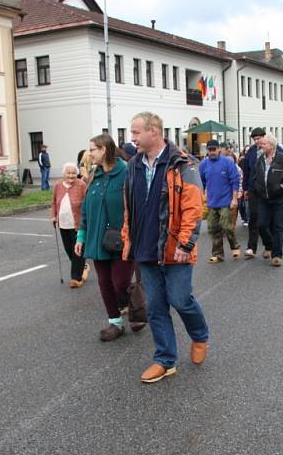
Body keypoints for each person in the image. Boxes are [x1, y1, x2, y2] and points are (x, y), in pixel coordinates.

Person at [121, 111, 208, 384]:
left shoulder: (183, 163)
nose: (131, 138)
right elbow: (129, 207)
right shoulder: (133, 165)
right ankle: (165, 359)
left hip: (175, 247)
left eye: (136, 132)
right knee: (156, 307)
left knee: (180, 299)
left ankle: (199, 335)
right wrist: (128, 239)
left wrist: (186, 241)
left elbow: (194, 208)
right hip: (145, 248)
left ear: (153, 132)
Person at [75, 133, 136, 342]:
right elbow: (85, 209)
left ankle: (138, 308)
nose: (89, 153)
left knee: (120, 282)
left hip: (123, 239)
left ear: (104, 149)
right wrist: (81, 236)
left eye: (92, 149)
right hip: (97, 239)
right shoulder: (94, 175)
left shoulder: (127, 173)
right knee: (104, 282)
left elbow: (138, 205)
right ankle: (115, 323)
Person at [253, 134, 283, 266]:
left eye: (264, 144)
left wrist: (282, 186)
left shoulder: (282, 159)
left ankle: (277, 255)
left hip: (279, 199)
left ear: (272, 146)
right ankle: (269, 245)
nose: (261, 146)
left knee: (278, 227)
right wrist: (256, 186)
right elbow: (255, 175)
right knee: (261, 224)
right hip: (263, 199)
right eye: (262, 144)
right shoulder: (260, 159)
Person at [199, 139, 240, 263]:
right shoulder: (204, 164)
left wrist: (234, 199)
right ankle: (218, 254)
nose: (212, 152)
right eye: (210, 150)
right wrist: (203, 196)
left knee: (227, 227)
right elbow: (201, 183)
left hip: (226, 201)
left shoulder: (227, 163)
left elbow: (235, 181)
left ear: (219, 149)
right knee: (213, 228)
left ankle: (235, 246)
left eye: (214, 149)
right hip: (211, 202)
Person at [52, 163, 88, 287]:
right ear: (64, 174)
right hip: (63, 224)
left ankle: (76, 279)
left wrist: (86, 219)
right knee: (69, 250)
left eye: (73, 173)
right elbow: (53, 202)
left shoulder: (81, 185)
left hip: (77, 224)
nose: (71, 175)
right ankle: (83, 266)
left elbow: (87, 203)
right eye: (68, 173)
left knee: (77, 250)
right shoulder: (58, 185)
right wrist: (54, 216)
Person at [241, 127, 266, 258]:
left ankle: (269, 246)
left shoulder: (273, 149)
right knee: (253, 218)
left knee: (266, 219)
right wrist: (245, 188)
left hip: (268, 190)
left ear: (264, 137)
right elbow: (246, 171)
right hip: (253, 189)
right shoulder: (251, 151)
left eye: (259, 138)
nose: (257, 141)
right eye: (255, 139)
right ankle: (251, 247)